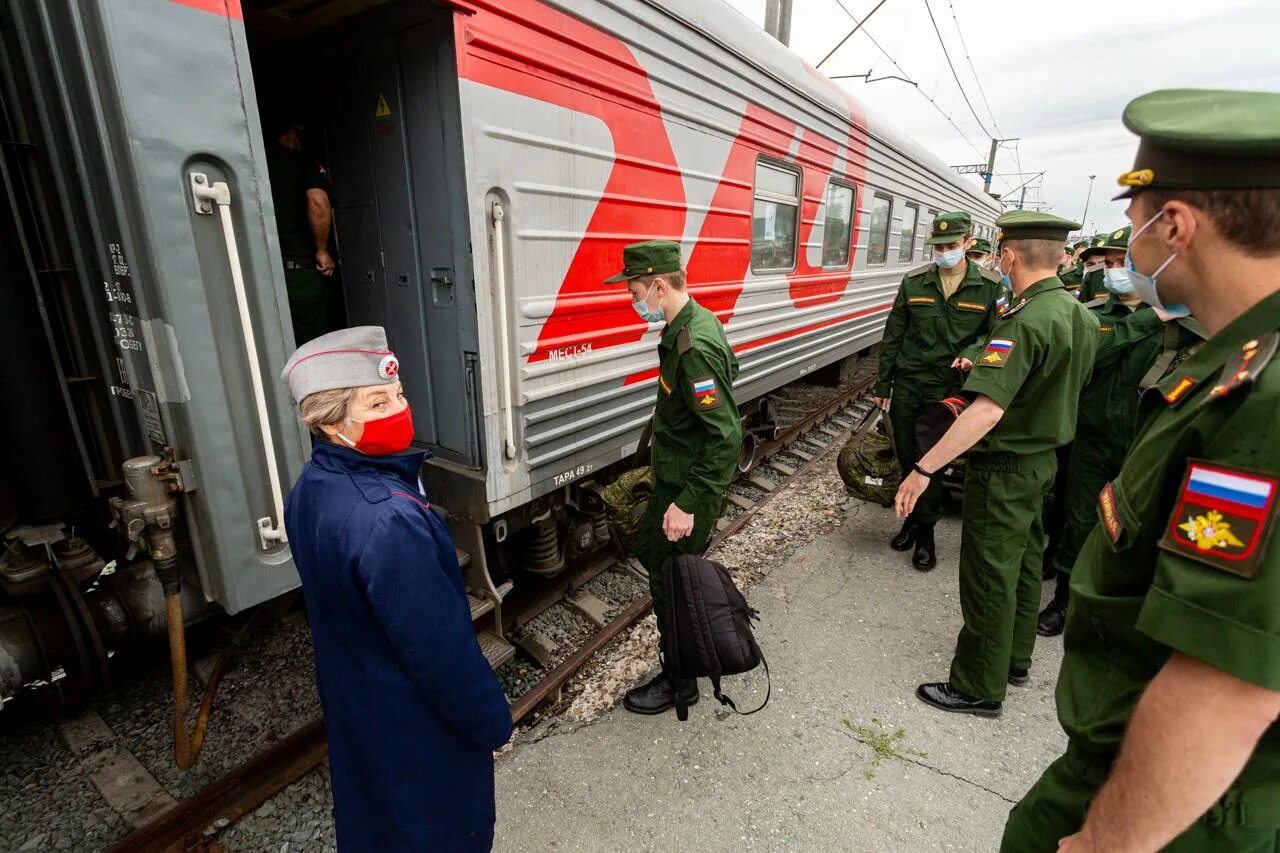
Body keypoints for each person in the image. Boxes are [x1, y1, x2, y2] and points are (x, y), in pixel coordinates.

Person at [1002, 88, 1280, 853]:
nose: (1133, 247)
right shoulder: (1230, 362)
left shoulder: (1263, 398)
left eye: (1135, 224)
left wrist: (1106, 843)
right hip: (1148, 770)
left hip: (1181, 810)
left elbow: (1227, 682)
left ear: (1177, 226)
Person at [280, 327, 513, 851]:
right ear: (331, 421)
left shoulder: (310, 490)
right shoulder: (388, 520)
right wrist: (492, 721)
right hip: (418, 735)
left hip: (359, 713)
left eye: (399, 394)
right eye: (377, 401)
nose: (399, 408)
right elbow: (440, 651)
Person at [895, 210, 1099, 717]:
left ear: (1007, 255)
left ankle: (978, 686)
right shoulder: (1079, 315)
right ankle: (1015, 659)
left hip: (1004, 466)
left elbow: (986, 410)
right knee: (1026, 562)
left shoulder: (1025, 320)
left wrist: (924, 469)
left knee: (988, 574)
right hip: (1041, 462)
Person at [605, 241, 743, 715]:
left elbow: (726, 437)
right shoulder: (690, 325)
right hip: (676, 478)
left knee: (673, 582)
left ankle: (680, 682)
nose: (633, 302)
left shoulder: (694, 347)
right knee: (658, 561)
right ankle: (684, 665)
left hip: (687, 488)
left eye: (636, 292)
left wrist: (687, 502)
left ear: (659, 286)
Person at [1037, 225, 1166, 636]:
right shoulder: (1092, 314)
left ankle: (1125, 607)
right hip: (1093, 437)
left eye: (1122, 261)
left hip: (1149, 444)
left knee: (1141, 528)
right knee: (1079, 520)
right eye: (1108, 263)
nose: (1113, 270)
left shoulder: (1184, 323)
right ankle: (1065, 600)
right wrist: (1148, 319)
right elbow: (1093, 352)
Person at [874, 212, 1006, 571]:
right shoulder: (914, 282)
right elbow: (893, 334)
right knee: (906, 454)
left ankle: (926, 532)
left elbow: (995, 333)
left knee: (930, 459)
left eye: (951, 245)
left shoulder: (991, 286)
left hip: (948, 389)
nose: (943, 252)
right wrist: (882, 383)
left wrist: (972, 352)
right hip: (909, 383)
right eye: (939, 246)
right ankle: (912, 519)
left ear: (967, 243)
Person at [267, 120, 336, 344]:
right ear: (289, 134)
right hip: (301, 272)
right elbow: (317, 201)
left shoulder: (257, 165)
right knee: (313, 344)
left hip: (265, 273)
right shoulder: (301, 163)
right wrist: (322, 251)